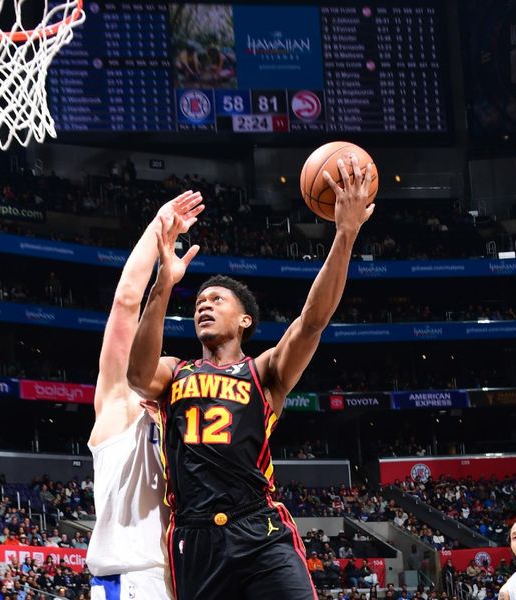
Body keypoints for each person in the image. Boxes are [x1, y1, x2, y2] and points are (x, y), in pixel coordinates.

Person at [127, 153, 376, 599]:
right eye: (200, 300)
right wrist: (165, 282)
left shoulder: (264, 371)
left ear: (245, 321)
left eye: (218, 299)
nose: (204, 304)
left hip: (258, 527)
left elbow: (312, 320)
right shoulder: (174, 372)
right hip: (194, 534)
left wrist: (346, 232)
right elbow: (137, 375)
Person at [86, 191, 204, 600]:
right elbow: (124, 303)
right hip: (131, 576)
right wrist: (158, 231)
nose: (165, 365)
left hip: (177, 578)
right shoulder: (121, 404)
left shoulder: (184, 430)